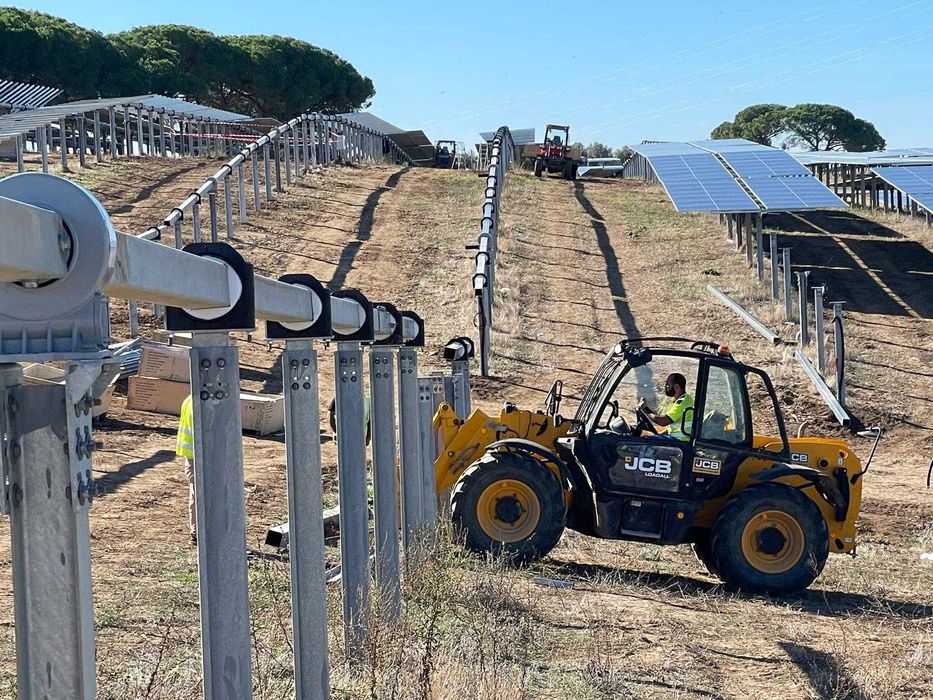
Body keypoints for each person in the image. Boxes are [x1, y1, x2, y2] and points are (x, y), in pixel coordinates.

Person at [639, 373, 694, 441]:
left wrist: (646, 410)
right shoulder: (683, 399)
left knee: (644, 441)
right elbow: (672, 429)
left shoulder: (683, 402)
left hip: (680, 441)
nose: (665, 387)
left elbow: (663, 422)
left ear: (676, 387)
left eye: (668, 385)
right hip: (676, 439)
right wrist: (658, 435)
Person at [176, 394, 196, 544]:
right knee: (200, 496)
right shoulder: (202, 402)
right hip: (199, 455)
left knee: (196, 494)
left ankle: (197, 532)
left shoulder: (189, 399)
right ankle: (197, 533)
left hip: (191, 455)